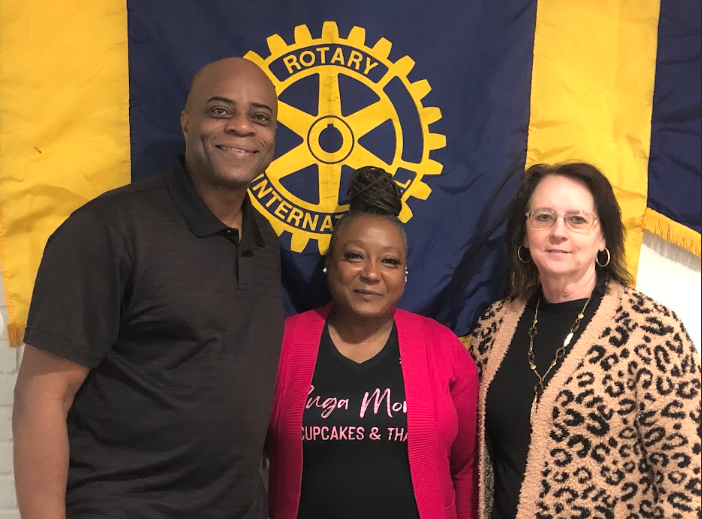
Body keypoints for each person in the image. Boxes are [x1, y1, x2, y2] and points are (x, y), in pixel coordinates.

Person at [13, 57, 284, 519]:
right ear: (186, 122)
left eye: (259, 116)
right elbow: (41, 395)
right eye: (220, 111)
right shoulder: (109, 229)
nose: (242, 127)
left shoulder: (265, 242)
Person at [468, 162, 701, 518]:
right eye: (543, 217)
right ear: (525, 234)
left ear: (603, 238)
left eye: (577, 219)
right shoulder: (494, 324)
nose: (558, 232)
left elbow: (687, 479)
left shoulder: (652, 330)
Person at [266, 166, 479, 519]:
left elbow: (467, 468)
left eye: (389, 261)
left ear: (404, 273)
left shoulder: (443, 348)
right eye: (354, 255)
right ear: (329, 264)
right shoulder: (283, 342)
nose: (371, 273)